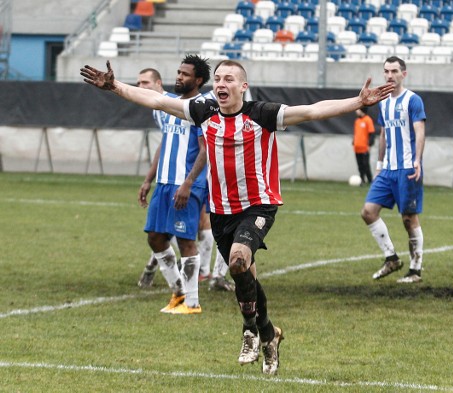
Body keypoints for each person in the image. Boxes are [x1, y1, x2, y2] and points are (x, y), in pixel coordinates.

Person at [80, 59, 393, 375]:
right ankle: (270, 334)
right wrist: (115, 86)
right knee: (247, 277)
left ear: (243, 86)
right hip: (221, 211)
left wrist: (358, 101)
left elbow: (311, 111)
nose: (221, 84)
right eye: (217, 79)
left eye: (229, 79)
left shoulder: (263, 114)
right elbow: (158, 100)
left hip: (258, 206)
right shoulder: (205, 111)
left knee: (238, 261)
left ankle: (249, 332)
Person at [135, 68, 235, 293]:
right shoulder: (160, 110)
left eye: (145, 83)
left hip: (211, 174)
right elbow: (167, 141)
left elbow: (206, 143)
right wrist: (149, 178)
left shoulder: (199, 103)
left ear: (158, 84)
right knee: (182, 227)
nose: (141, 88)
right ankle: (199, 278)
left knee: (221, 224)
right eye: (138, 84)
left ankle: (210, 276)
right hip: (182, 178)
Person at [133, 55, 210, 315]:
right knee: (155, 237)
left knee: (186, 240)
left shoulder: (202, 107)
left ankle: (192, 303)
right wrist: (148, 179)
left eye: (185, 74)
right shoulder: (169, 105)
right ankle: (178, 291)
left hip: (185, 185)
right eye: (178, 72)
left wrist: (188, 184)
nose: (179, 77)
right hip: (164, 183)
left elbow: (205, 149)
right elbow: (165, 143)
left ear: (198, 80)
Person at [360, 56, 427, 284]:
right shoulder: (384, 101)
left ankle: (415, 269)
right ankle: (391, 257)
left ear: (403, 74)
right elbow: (383, 134)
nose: (389, 75)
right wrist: (378, 166)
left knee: (409, 219)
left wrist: (417, 160)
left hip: (407, 168)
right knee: (368, 212)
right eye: (386, 71)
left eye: (394, 71)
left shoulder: (413, 100)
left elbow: (419, 130)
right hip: (387, 170)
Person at [352, 106, 376, 185]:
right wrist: (353, 142)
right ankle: (362, 180)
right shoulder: (357, 121)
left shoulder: (368, 120)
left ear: (362, 110)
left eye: (358, 109)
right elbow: (356, 133)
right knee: (360, 165)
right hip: (357, 147)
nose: (356, 111)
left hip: (365, 147)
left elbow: (372, 133)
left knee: (366, 164)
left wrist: (370, 144)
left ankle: (370, 180)